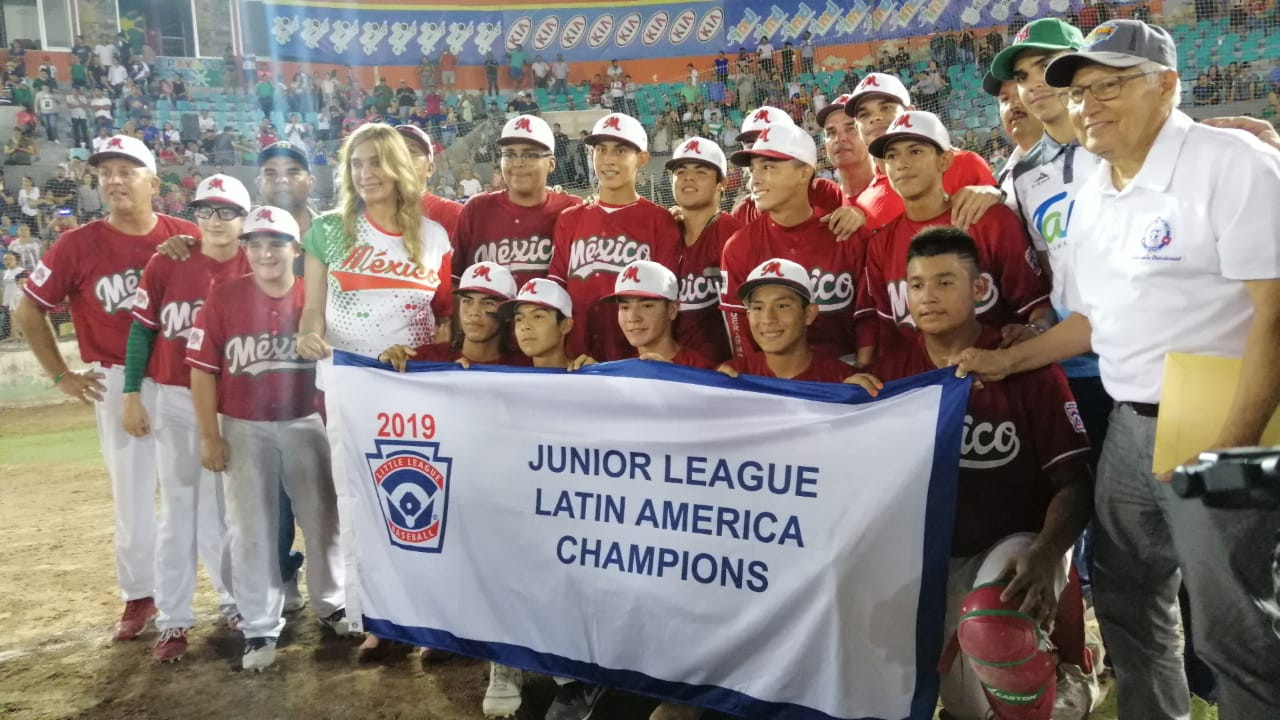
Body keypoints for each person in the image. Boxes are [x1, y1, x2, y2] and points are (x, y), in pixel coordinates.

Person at [958, 20, 1280, 718]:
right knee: (1129, 595)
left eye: (1111, 85)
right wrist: (1003, 358)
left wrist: (1231, 447)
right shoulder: (1096, 186)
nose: (1089, 103)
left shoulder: (1232, 165)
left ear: (1168, 85)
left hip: (1221, 416)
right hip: (1132, 423)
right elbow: (1090, 320)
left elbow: (1275, 314)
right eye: (1079, 89)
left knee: (1234, 625)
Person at [867, 227, 1094, 720]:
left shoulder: (1021, 362)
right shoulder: (893, 366)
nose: (928, 296)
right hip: (935, 553)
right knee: (973, 708)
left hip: (1015, 542)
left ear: (979, 289)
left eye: (946, 282)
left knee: (993, 630)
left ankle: (1067, 677)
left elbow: (1075, 482)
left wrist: (1046, 553)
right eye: (917, 283)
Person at [14, 135, 200, 641]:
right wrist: (60, 374)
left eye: (126, 170)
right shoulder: (77, 244)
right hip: (118, 380)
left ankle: (218, 593)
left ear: (154, 183)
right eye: (105, 172)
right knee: (133, 494)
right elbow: (28, 309)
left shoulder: (186, 234)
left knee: (195, 490)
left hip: (184, 378)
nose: (114, 180)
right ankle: (140, 594)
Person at [297, 122, 454, 644]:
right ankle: (376, 617)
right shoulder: (326, 230)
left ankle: (430, 615)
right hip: (349, 388)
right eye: (356, 164)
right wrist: (308, 336)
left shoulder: (434, 236)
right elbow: (312, 311)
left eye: (376, 162)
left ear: (401, 168)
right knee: (359, 501)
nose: (366, 174)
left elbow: (445, 319)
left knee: (421, 498)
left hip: (413, 388)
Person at [186, 205, 346, 672]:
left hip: (305, 420)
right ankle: (259, 626)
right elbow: (202, 372)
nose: (265, 253)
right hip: (243, 424)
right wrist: (210, 436)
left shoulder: (314, 298)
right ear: (246, 250)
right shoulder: (224, 295)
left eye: (275, 243)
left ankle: (331, 602)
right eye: (255, 244)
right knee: (250, 526)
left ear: (296, 250)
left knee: (323, 518)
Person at [122, 174, 249, 661]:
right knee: (178, 509)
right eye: (205, 211)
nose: (215, 221)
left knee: (228, 509)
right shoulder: (168, 260)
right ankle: (174, 619)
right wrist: (132, 392)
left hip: (230, 401)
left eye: (225, 211)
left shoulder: (255, 262)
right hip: (173, 396)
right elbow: (142, 332)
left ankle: (235, 599)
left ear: (244, 218)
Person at [860, 110, 1053, 356]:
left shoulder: (990, 221)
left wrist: (1034, 330)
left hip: (997, 372)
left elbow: (1037, 305)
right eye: (891, 156)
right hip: (924, 383)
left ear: (945, 161)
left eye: (915, 151)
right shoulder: (880, 243)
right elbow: (887, 333)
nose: (902, 164)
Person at [720, 123, 867, 366]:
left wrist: (864, 369)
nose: (754, 180)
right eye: (753, 170)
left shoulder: (843, 233)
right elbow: (739, 328)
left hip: (848, 378)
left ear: (804, 173)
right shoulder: (738, 246)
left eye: (768, 167)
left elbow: (869, 315)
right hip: (775, 380)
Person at [547, 113, 681, 362]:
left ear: (642, 159)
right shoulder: (569, 218)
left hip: (636, 361)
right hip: (576, 359)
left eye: (620, 151)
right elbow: (556, 292)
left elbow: (665, 303)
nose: (608, 160)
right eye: (601, 149)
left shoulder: (660, 221)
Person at [843, 73, 1001, 231]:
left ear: (909, 111)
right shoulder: (863, 201)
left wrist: (996, 194)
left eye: (886, 108)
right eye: (864, 114)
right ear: (857, 128)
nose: (876, 117)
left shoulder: (964, 164)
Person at [455, 115, 582, 287]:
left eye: (529, 155)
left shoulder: (572, 209)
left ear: (551, 164)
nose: (518, 163)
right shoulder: (477, 208)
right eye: (509, 154)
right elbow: (455, 278)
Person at [718, 258, 857, 382]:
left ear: (809, 314)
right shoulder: (732, 376)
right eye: (758, 308)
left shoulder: (842, 381)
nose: (768, 319)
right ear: (748, 316)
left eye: (782, 306)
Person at [666, 136, 740, 364]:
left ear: (722, 184)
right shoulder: (665, 231)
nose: (688, 177)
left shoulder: (732, 234)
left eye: (701, 171)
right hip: (669, 369)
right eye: (680, 171)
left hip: (721, 374)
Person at [605, 259, 716, 368]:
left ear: (672, 310)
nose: (633, 318)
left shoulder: (704, 372)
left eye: (646, 306)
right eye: (624, 307)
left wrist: (674, 377)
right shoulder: (622, 372)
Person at [396, 124, 463, 243]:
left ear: (430, 168)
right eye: (393, 153)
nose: (402, 158)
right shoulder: (364, 220)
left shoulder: (455, 214)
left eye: (411, 151)